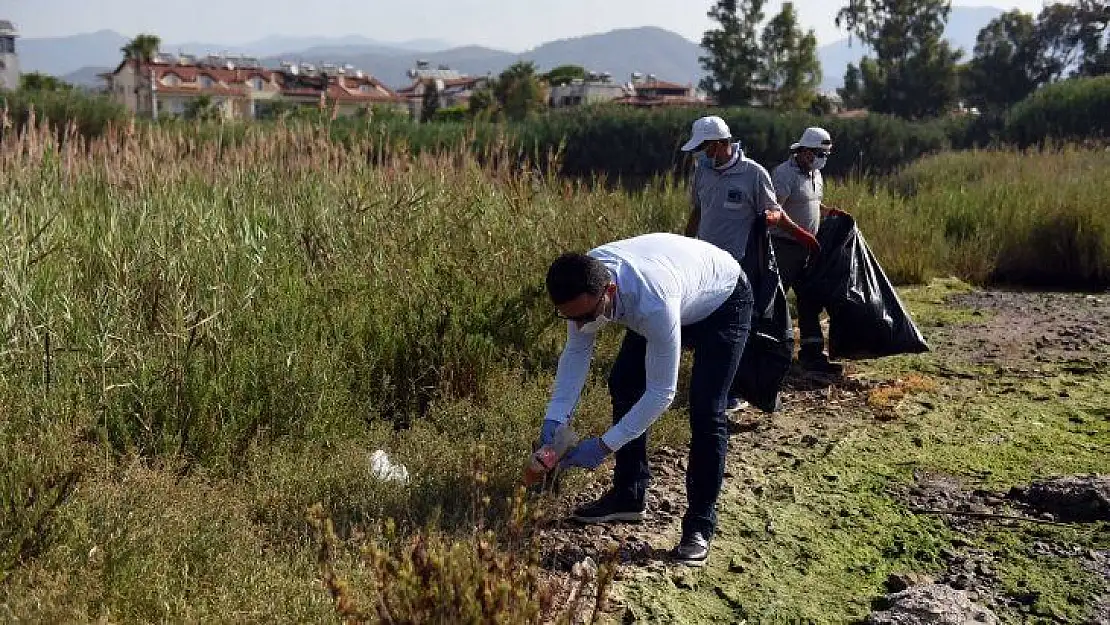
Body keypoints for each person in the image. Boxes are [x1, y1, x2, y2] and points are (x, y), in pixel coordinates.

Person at [537, 232, 752, 567]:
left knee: (706, 410)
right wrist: (555, 418)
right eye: (569, 317)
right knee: (624, 382)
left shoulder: (651, 303)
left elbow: (662, 393)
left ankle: (699, 525)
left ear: (607, 292)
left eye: (585, 317)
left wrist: (605, 446)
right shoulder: (583, 280)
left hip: (723, 299)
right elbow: (577, 351)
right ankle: (629, 495)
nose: (579, 325)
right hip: (676, 286)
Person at [680, 115, 821, 410]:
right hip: (703, 265)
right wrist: (685, 245)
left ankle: (731, 391)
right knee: (704, 327)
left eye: (705, 148)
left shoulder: (753, 174)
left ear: (721, 144)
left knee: (732, 330)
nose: (701, 155)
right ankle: (707, 386)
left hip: (738, 267)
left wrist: (777, 222)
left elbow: (774, 211)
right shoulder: (702, 172)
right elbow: (698, 211)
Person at [770, 127, 848, 375]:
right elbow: (775, 213)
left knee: (810, 300)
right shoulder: (783, 175)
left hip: (809, 248)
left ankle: (812, 355)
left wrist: (829, 212)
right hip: (785, 247)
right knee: (775, 302)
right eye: (817, 152)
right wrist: (801, 235)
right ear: (803, 150)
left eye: (825, 153)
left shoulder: (815, 174)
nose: (821, 157)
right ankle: (773, 356)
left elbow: (811, 202)